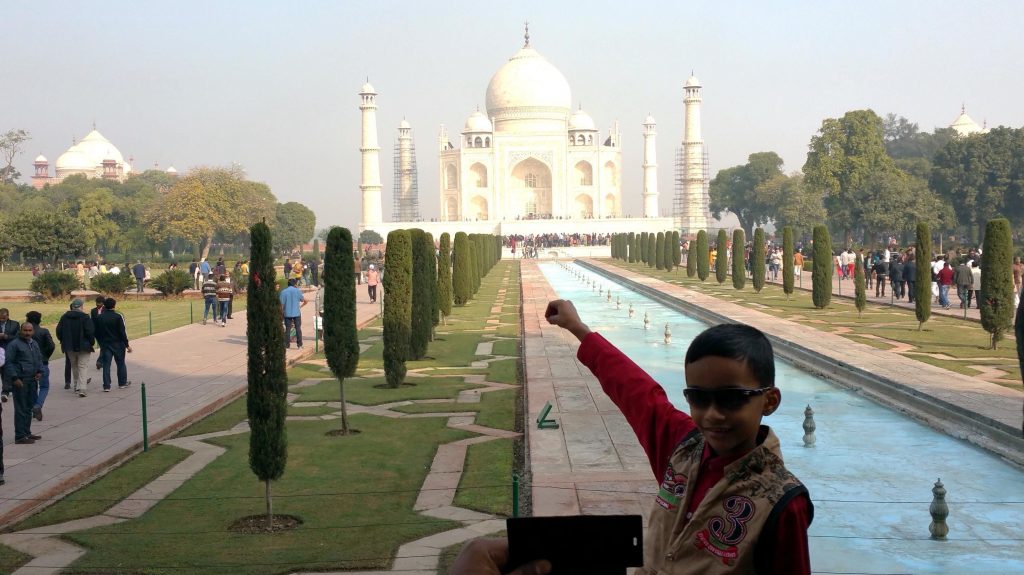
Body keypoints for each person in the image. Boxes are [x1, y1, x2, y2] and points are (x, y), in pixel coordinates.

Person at [542, 300, 812, 574]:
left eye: (731, 399)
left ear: (769, 401)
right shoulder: (684, 448)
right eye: (698, 398)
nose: (712, 415)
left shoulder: (781, 501)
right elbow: (637, 391)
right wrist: (578, 329)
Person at [5, 322, 43, 444]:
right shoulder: (14, 344)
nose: (27, 333)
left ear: (33, 331)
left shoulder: (34, 343)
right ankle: (20, 436)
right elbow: (8, 362)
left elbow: (38, 358)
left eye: (29, 330)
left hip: (32, 380)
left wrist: (39, 371)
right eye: (25, 330)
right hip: (21, 380)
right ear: (21, 331)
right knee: (20, 408)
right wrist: (15, 378)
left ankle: (27, 432)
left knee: (28, 407)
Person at [57, 299, 96, 397]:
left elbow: (59, 331)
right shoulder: (85, 317)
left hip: (69, 346)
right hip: (84, 345)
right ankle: (82, 388)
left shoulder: (64, 317)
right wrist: (91, 342)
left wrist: (63, 341)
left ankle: (76, 386)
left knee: (74, 366)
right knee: (82, 366)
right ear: (81, 306)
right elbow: (90, 331)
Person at [94, 298, 132, 391]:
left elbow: (96, 332)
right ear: (114, 306)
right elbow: (122, 332)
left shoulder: (99, 317)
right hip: (118, 343)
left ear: (104, 306)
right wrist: (127, 345)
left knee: (106, 365)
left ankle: (106, 385)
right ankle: (122, 383)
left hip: (106, 344)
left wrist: (101, 342)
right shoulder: (118, 316)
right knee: (121, 363)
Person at [25, 311, 54, 421]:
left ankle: (35, 406)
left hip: (29, 364)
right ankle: (38, 405)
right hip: (43, 362)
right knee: (44, 386)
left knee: (33, 388)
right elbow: (51, 346)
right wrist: (46, 356)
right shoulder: (44, 331)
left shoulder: (24, 333)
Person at [279, 278, 307, 349]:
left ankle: (287, 346)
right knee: (298, 328)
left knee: (287, 329)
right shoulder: (297, 291)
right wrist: (300, 307)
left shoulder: (283, 292)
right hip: (296, 313)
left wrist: (281, 313)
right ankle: (299, 345)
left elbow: (281, 305)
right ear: (295, 284)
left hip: (287, 313)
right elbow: (304, 300)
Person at [0, 309, 20, 403]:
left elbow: (17, 337)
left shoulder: (15, 324)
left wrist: (6, 336)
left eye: (4, 317)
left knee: (6, 371)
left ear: (8, 316)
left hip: (9, 350)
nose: (2, 319)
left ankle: (5, 391)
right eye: (0, 318)